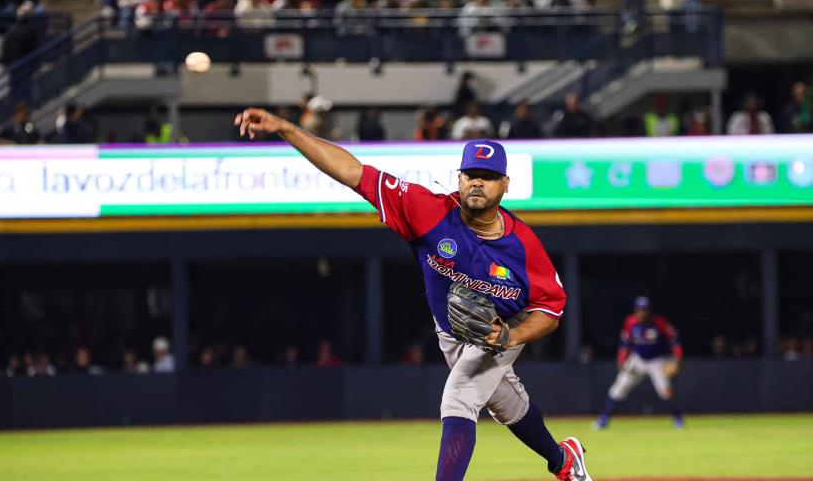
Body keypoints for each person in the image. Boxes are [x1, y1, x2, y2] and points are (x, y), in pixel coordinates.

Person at [234, 107, 592, 481]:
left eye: (488, 177)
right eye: (471, 174)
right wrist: (285, 128)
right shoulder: (428, 211)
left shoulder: (523, 247)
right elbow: (354, 173)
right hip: (451, 331)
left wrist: (511, 336)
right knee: (503, 402)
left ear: (505, 185)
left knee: (460, 397)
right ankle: (564, 460)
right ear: (459, 177)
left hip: (501, 326)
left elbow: (551, 308)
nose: (477, 183)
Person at [594, 296, 684, 430]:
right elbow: (625, 343)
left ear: (650, 310)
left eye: (645, 310)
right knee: (619, 388)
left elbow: (674, 340)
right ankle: (603, 419)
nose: (642, 312)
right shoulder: (630, 322)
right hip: (637, 360)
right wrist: (621, 359)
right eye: (640, 310)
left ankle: (677, 420)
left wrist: (678, 358)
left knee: (666, 391)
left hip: (657, 361)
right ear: (636, 311)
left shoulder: (659, 323)